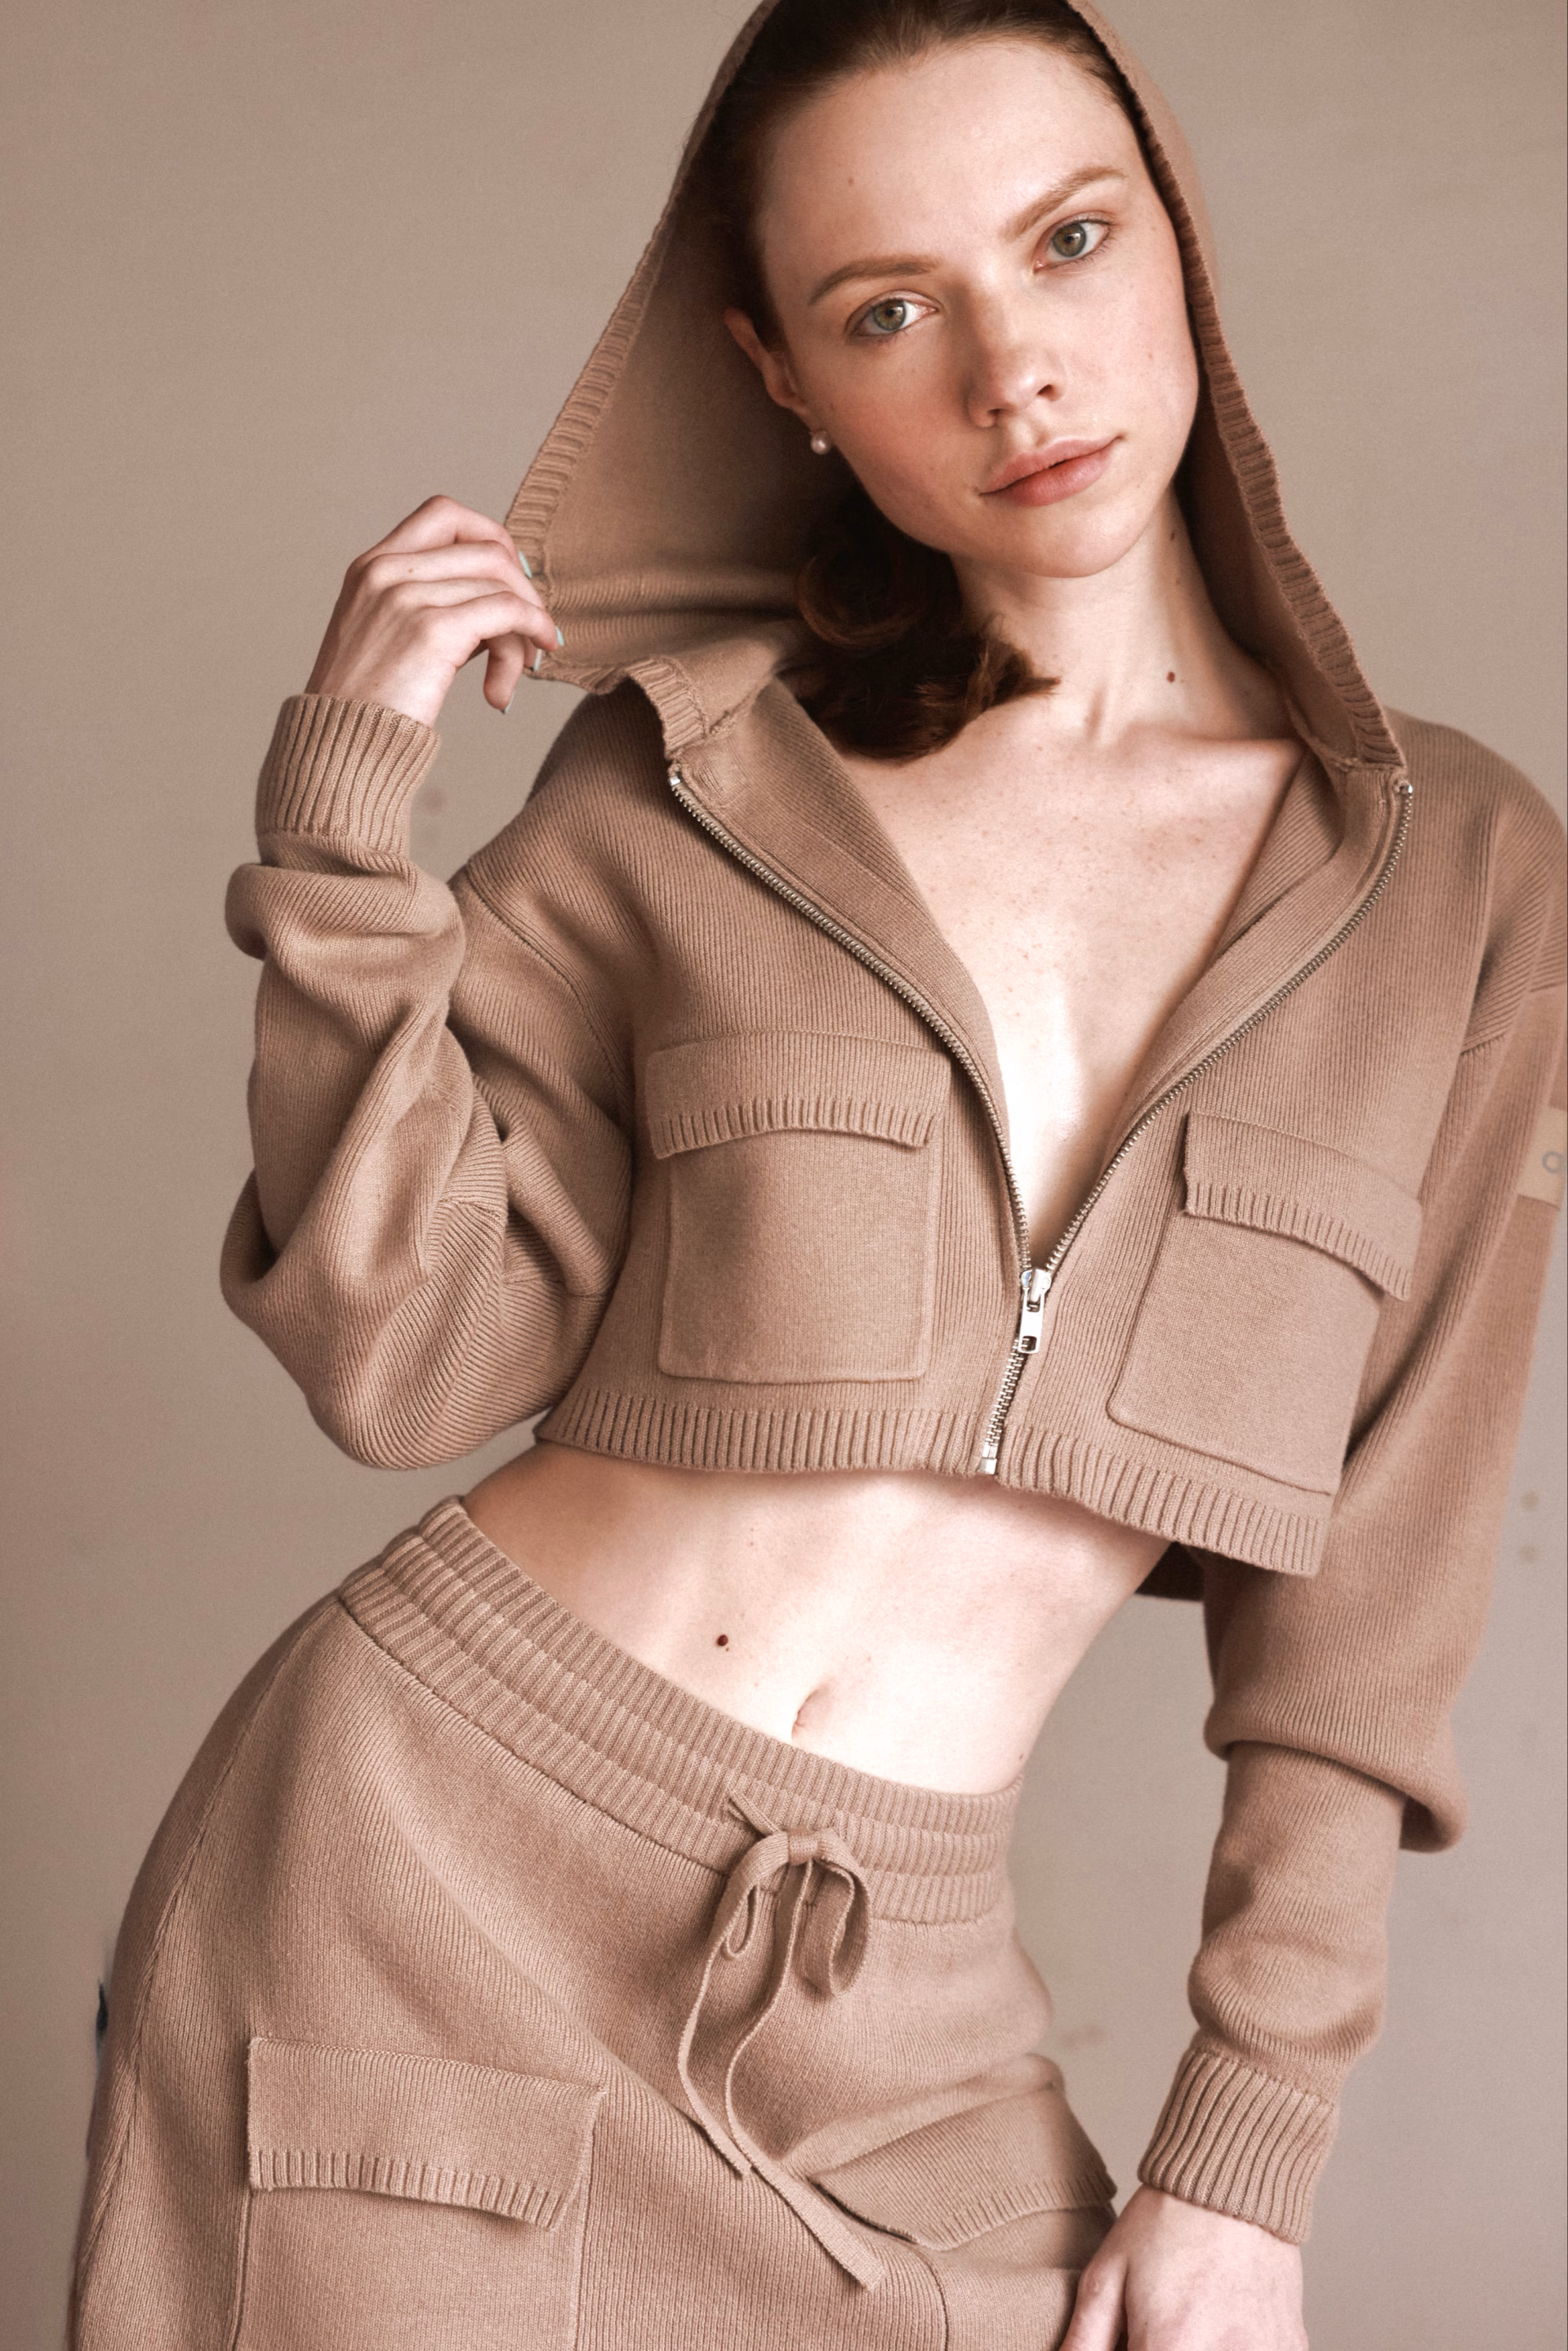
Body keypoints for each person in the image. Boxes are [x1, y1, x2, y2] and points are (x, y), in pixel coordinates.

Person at [70, 2, 1566, 2346]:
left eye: (1068, 241)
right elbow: (403, 1357)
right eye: (890, 310)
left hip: (902, 2008)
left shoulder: (1453, 880)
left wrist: (1246, 2145)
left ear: (1175, 235)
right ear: (783, 377)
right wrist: (344, 842)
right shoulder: (693, 775)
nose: (1014, 368)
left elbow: (1378, 1582)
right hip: (421, 1870)